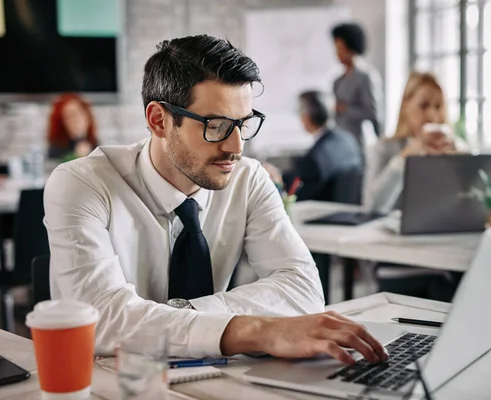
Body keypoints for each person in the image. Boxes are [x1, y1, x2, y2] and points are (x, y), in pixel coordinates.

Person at [44, 35, 387, 365]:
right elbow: (101, 319)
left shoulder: (248, 179)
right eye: (217, 125)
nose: (236, 146)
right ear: (159, 120)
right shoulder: (81, 184)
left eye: (244, 124)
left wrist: (180, 316)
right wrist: (254, 328)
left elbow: (303, 291)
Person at [363, 71, 462, 214]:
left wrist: (458, 162)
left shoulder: (454, 147)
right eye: (424, 105)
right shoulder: (385, 148)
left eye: (438, 106)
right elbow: (371, 206)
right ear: (406, 107)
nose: (432, 115)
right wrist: (404, 158)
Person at [265, 91, 362, 202]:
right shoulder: (348, 140)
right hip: (347, 209)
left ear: (307, 117)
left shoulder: (316, 158)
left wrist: (278, 180)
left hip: (319, 212)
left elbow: (296, 194)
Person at [331, 23, 383, 148]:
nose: (336, 53)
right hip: (342, 142)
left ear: (350, 47)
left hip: (361, 142)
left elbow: (373, 113)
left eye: (339, 48)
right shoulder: (338, 80)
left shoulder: (366, 76)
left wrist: (345, 109)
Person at [47, 93, 98, 160]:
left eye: (80, 113)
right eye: (71, 116)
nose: (77, 119)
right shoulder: (56, 149)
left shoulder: (95, 145)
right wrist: (77, 156)